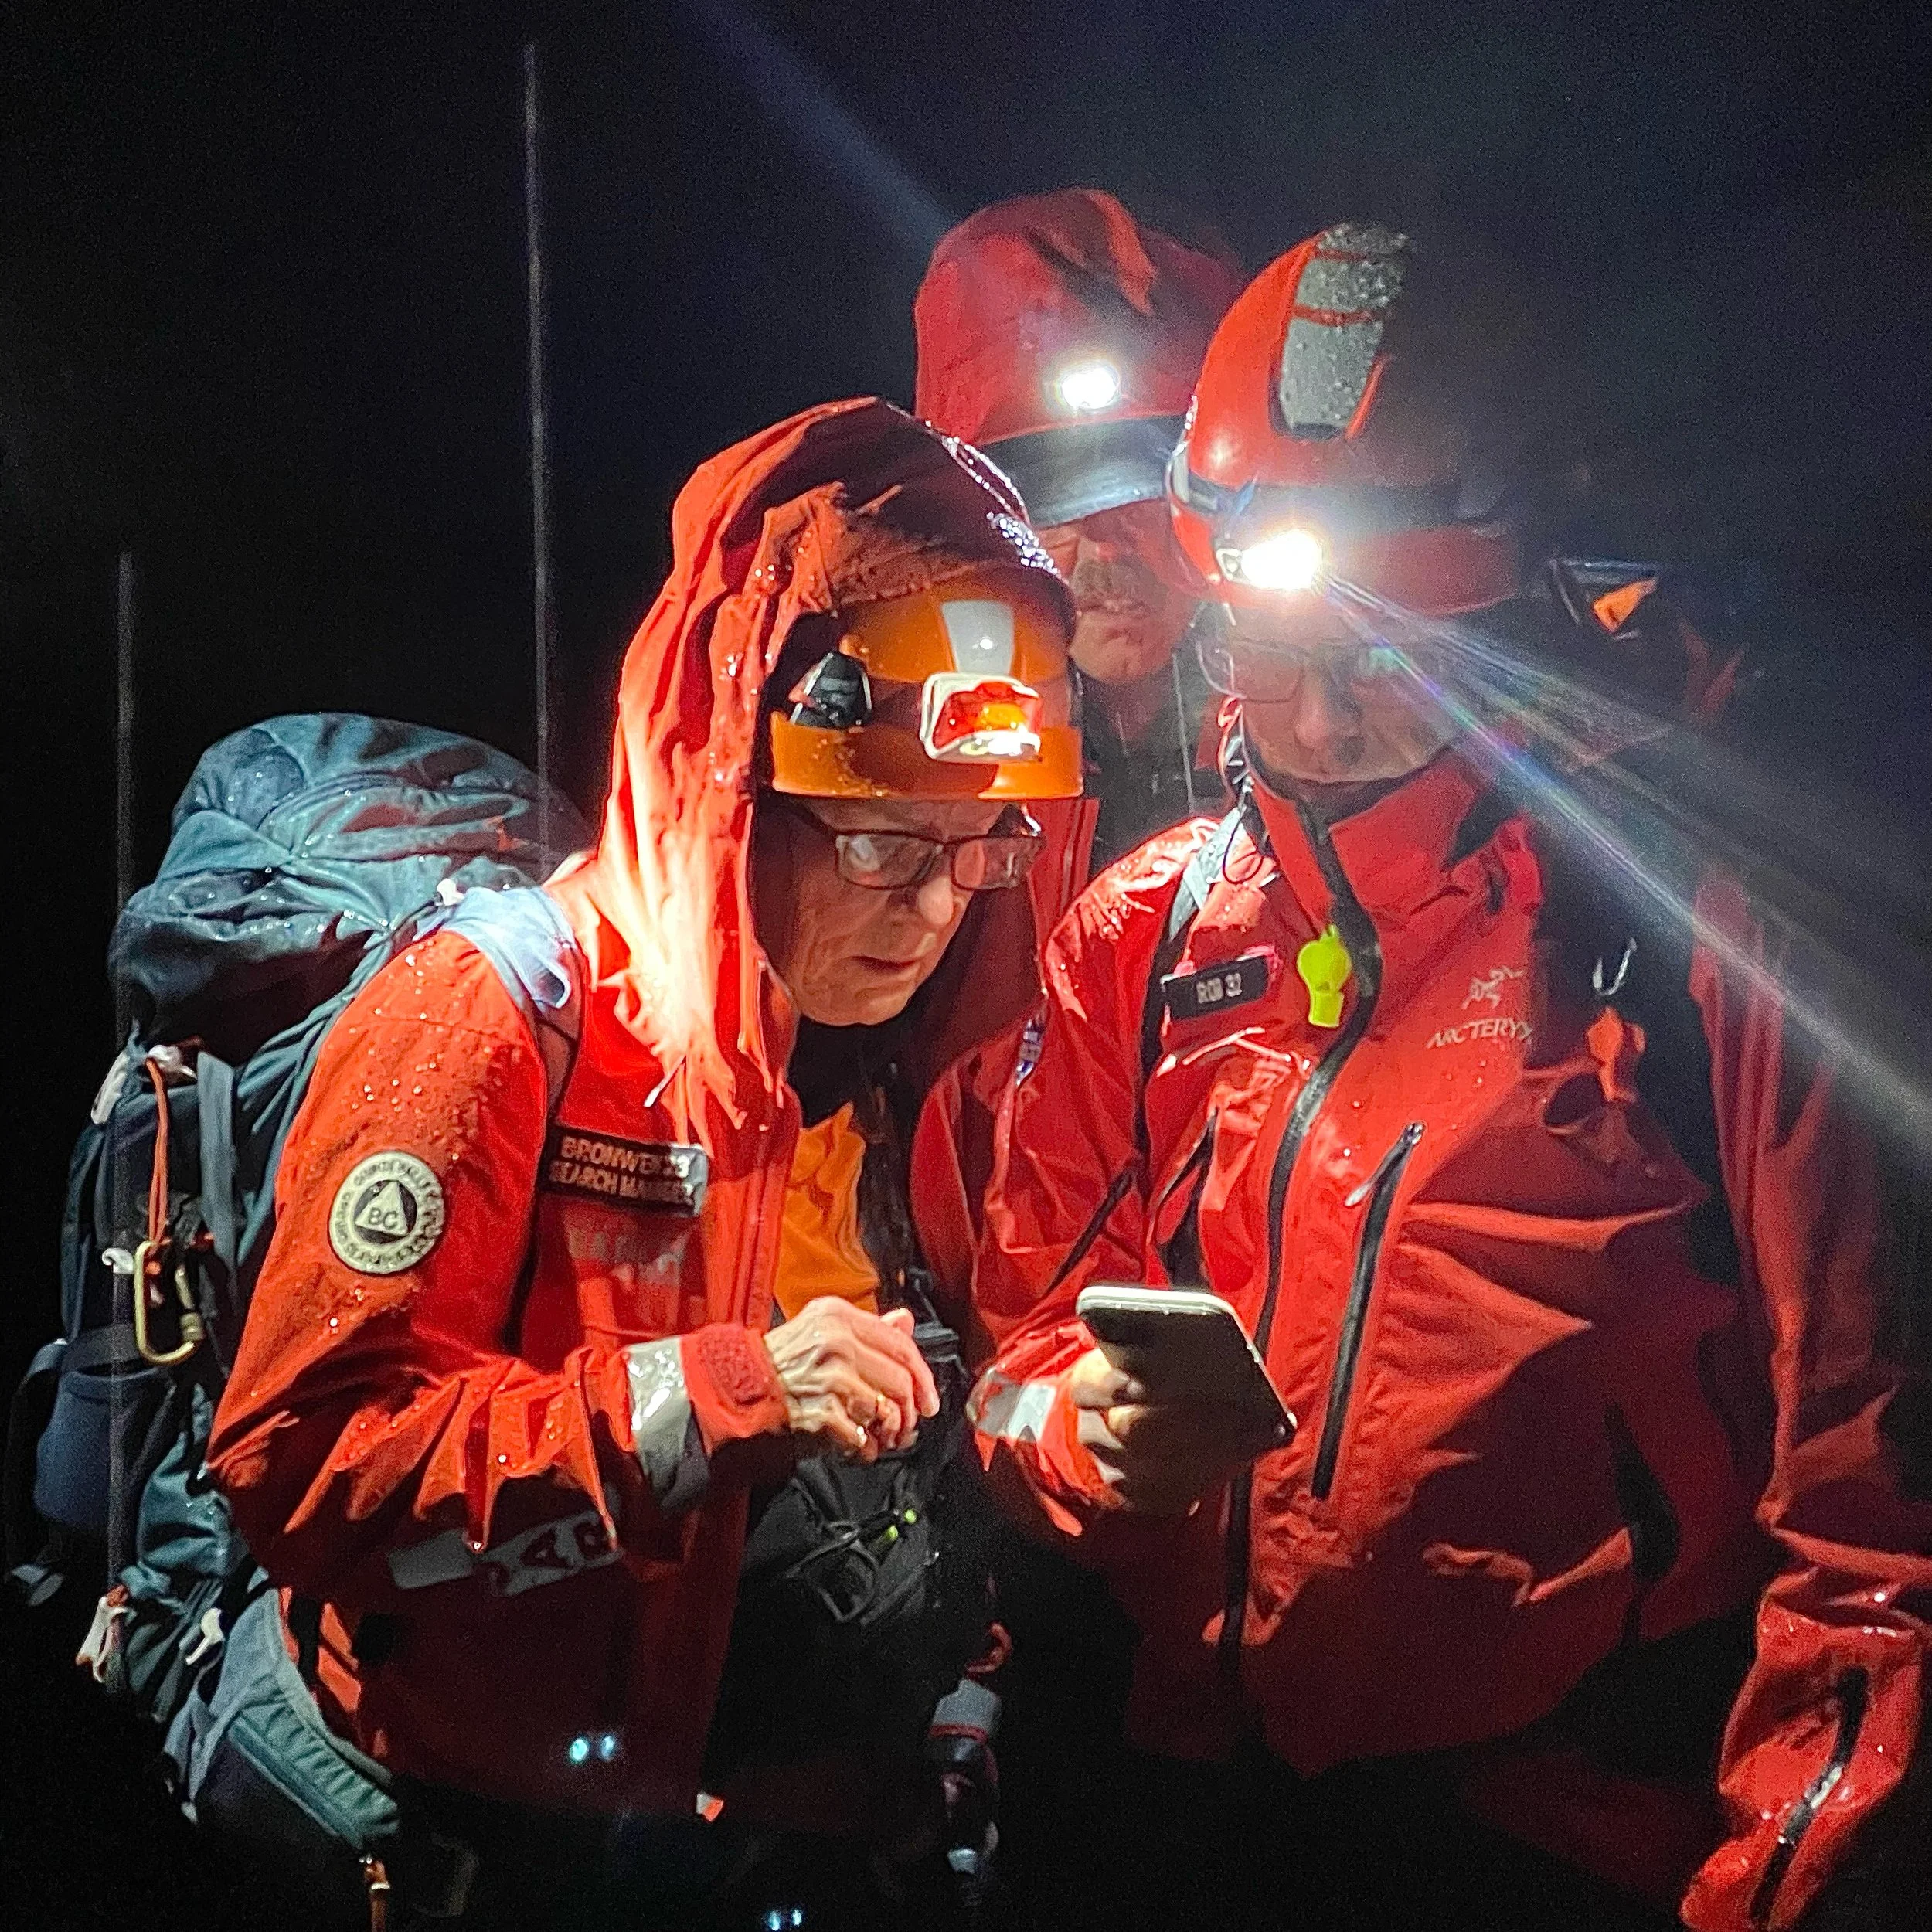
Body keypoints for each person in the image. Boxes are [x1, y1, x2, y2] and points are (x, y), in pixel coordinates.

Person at [962, 224, 1932, 1932]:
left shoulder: (1692, 937)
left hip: (1562, 1832)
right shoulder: (1146, 924)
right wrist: (1074, 1430)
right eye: (1281, 643)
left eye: (1393, 655)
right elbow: (1024, 1327)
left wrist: (1785, 1881)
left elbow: (1868, 1519)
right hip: (1202, 1804)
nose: (1324, 716)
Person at [207, 397, 1085, 1926]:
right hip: (503, 1854)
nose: (935, 905)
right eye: (880, 837)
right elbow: (302, 1467)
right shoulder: (495, 1014)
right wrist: (721, 1392)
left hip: (809, 1861)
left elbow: (918, 1478)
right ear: (731, 785)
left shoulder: (900, 1084)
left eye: (975, 844)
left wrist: (958, 1711)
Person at [913, 188, 1244, 874]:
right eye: (1054, 507)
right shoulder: (905, 731)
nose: (1107, 549)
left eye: (1139, 501)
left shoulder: (1319, 716)